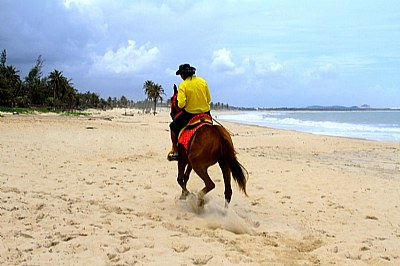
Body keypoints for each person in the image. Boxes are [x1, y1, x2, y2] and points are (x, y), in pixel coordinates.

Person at [167, 64, 212, 161]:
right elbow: (208, 99)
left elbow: (181, 104)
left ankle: (175, 149)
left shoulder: (183, 85)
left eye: (181, 75)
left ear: (183, 75)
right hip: (206, 113)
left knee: (173, 126)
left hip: (190, 114)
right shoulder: (203, 82)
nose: (181, 77)